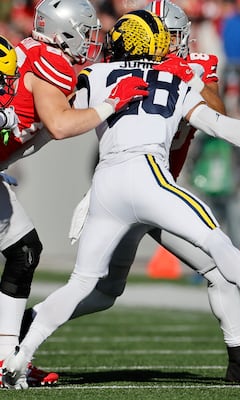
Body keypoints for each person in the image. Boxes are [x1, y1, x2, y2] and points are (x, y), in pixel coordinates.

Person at [1, 9, 240, 390]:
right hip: (152, 185)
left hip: (126, 186)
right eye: (168, 37)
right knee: (208, 247)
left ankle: (17, 342)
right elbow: (216, 123)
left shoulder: (119, 71)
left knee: (101, 287)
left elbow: (213, 111)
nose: (175, 44)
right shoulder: (158, 73)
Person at [0, 0, 150, 387]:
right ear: (64, 31)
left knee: (24, 251)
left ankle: (5, 358)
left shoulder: (31, 52)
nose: (90, 41)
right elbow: (61, 124)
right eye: (86, 32)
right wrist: (113, 102)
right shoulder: (50, 60)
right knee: (23, 252)